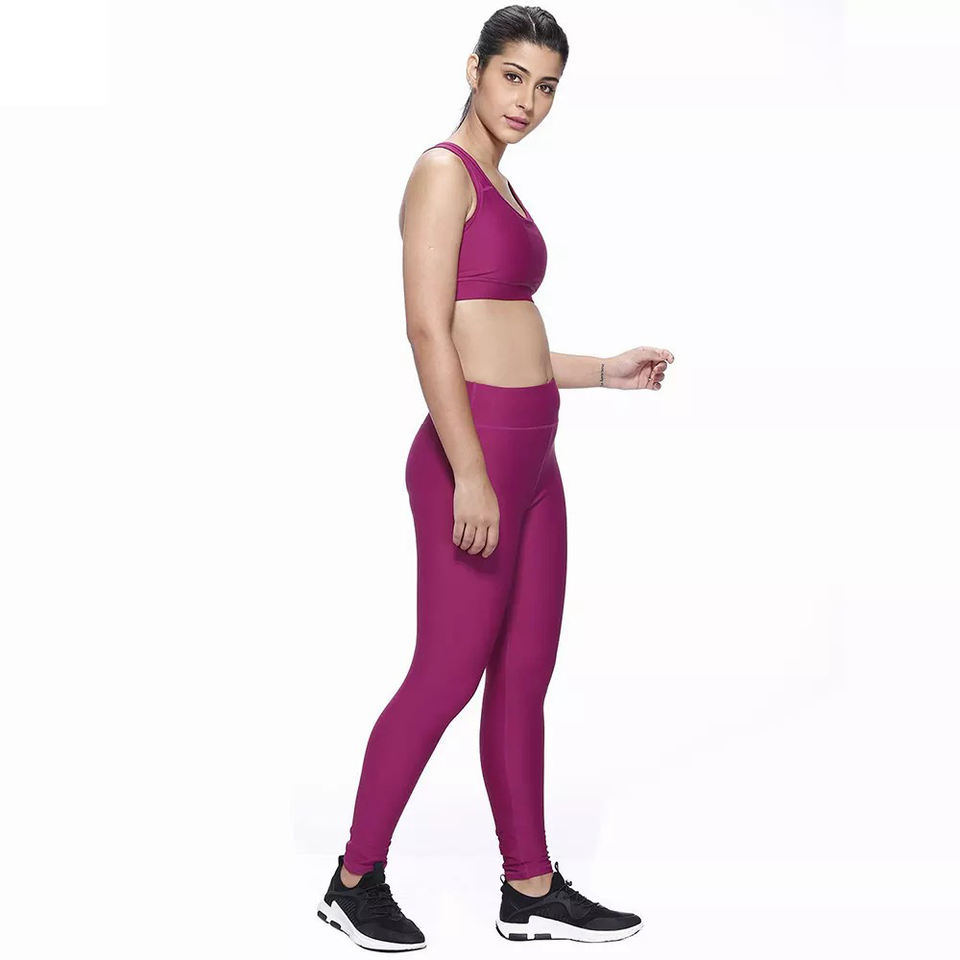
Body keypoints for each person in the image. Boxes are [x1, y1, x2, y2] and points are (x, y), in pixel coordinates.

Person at [316, 6, 673, 950]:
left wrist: (604, 371)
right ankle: (354, 879)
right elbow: (428, 329)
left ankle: (530, 885)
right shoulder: (443, 172)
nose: (528, 101)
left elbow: (505, 338)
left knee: (522, 681)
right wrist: (469, 470)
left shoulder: (505, 188)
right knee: (444, 677)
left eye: (547, 86)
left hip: (536, 470)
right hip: (469, 467)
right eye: (513, 76)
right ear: (473, 68)